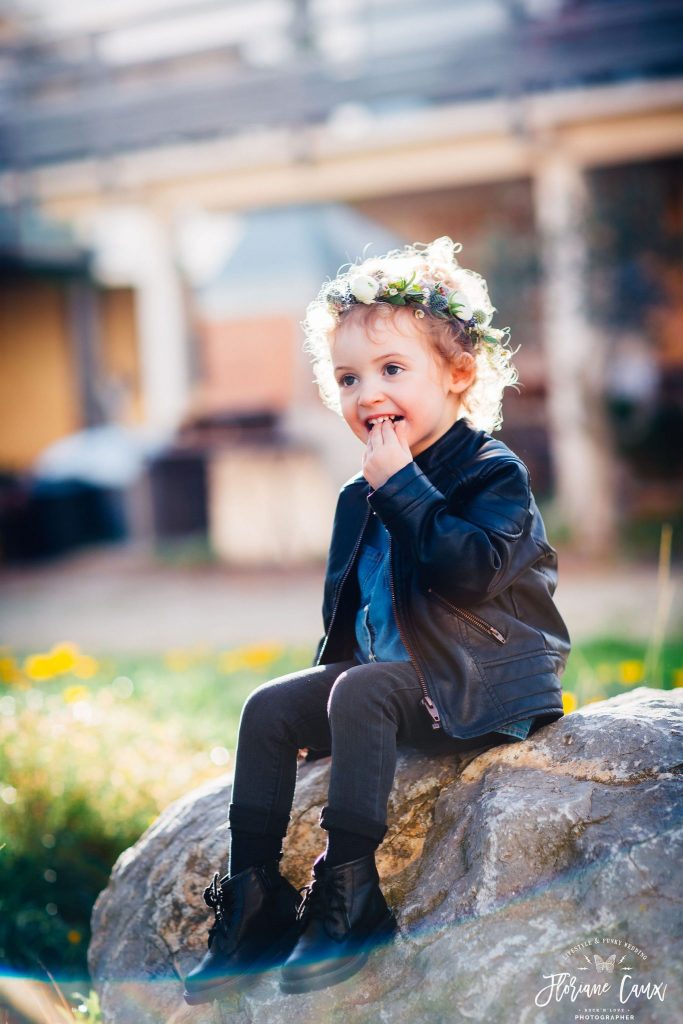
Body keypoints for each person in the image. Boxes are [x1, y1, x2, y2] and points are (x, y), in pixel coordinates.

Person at [183, 236, 571, 1004]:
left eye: (393, 370)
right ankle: (255, 898)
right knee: (268, 707)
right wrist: (321, 695)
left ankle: (352, 896)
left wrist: (404, 490)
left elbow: (471, 572)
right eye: (349, 378)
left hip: (477, 686)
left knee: (358, 694)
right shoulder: (355, 493)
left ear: (459, 376)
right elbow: (348, 618)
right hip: (390, 685)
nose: (368, 394)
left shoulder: (491, 472)